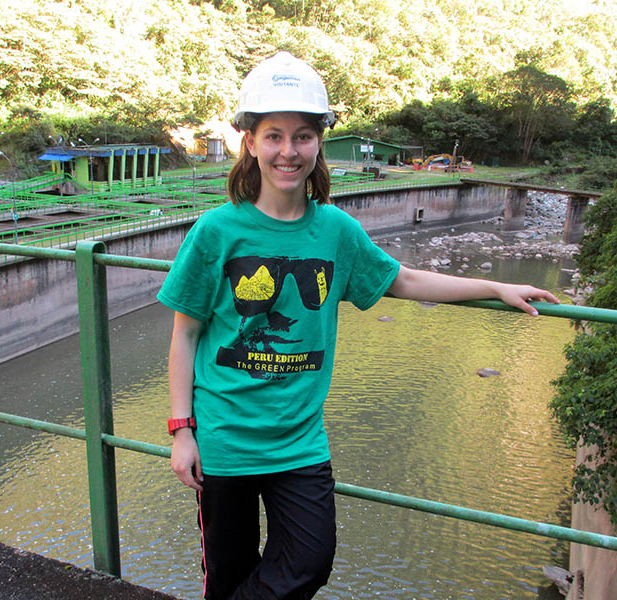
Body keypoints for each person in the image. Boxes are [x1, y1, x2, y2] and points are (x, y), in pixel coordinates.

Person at [156, 51, 559, 600]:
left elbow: (407, 282)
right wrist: (182, 432)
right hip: (224, 437)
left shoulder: (337, 233)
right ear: (249, 142)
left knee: (309, 560)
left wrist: (496, 286)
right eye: (274, 136)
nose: (288, 151)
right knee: (228, 573)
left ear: (318, 142)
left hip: (299, 441)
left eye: (303, 136)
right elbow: (185, 334)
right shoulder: (217, 231)